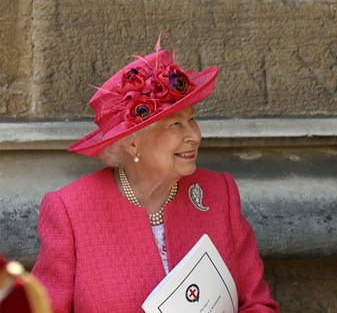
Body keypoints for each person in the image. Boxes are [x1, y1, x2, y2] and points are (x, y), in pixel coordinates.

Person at [32, 35, 279, 313]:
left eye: (192, 119)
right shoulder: (71, 211)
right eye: (175, 124)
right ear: (132, 142)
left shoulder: (219, 192)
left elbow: (257, 304)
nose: (194, 136)